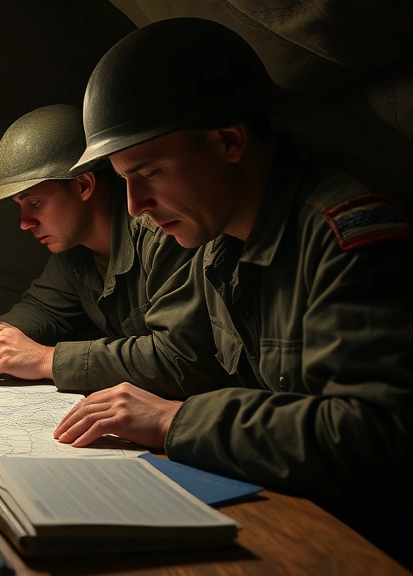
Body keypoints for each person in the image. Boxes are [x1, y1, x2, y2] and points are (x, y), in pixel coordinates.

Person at [52, 18, 412, 561]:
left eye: (149, 172)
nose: (133, 206)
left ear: (228, 141)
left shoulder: (343, 228)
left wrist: (176, 419)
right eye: (123, 180)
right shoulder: (218, 243)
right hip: (288, 508)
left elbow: (375, 435)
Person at [0, 104, 207, 396]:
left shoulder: (166, 232)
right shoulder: (75, 251)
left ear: (83, 185)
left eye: (35, 202)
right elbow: (43, 309)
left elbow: (181, 360)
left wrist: (44, 359)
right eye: (20, 206)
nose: (24, 223)